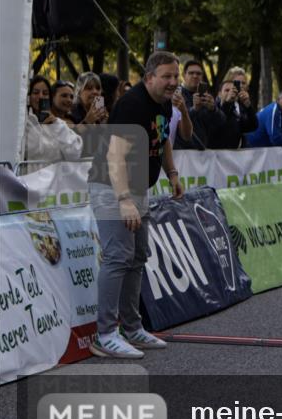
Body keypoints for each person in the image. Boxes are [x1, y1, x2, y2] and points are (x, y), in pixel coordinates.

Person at [87, 51, 184, 358]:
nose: (172, 82)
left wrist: (172, 173)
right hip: (111, 187)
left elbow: (164, 138)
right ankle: (104, 334)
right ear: (149, 77)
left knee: (138, 255)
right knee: (119, 256)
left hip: (139, 188)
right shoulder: (132, 105)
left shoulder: (164, 103)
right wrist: (125, 200)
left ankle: (132, 328)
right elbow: (114, 156)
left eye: (175, 77)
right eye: (166, 76)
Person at [22, 76, 82, 170]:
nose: (40, 96)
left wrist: (56, 125)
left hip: (55, 182)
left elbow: (75, 152)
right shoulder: (23, 123)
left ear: (50, 98)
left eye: (45, 93)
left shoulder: (58, 124)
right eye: (35, 92)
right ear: (29, 96)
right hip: (28, 181)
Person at [213, 79, 258, 149]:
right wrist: (227, 103)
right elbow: (220, 122)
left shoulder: (236, 112)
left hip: (233, 157)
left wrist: (248, 106)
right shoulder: (212, 109)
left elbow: (253, 126)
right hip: (215, 156)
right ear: (219, 94)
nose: (231, 93)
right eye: (227, 90)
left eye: (233, 91)